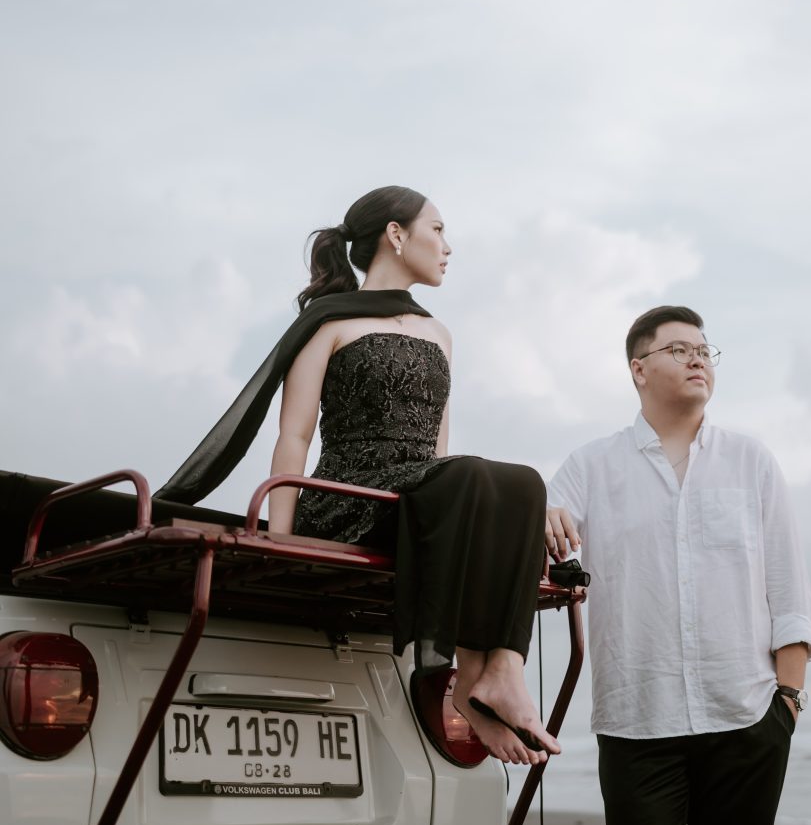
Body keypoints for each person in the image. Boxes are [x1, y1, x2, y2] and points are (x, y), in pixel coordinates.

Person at [155, 185, 557, 767]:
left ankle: (495, 674)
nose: (448, 246)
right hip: (348, 497)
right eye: (438, 229)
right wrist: (282, 538)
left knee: (525, 482)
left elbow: (439, 452)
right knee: (475, 476)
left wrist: (482, 507)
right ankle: (470, 677)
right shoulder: (328, 322)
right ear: (396, 234)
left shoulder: (440, 334)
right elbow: (293, 436)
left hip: (419, 493)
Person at [545, 305, 811, 825]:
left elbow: (789, 587)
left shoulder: (751, 461)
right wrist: (541, 515)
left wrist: (787, 700)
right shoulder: (590, 466)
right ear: (639, 369)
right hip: (637, 723)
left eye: (704, 349)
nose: (698, 358)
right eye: (678, 349)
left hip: (746, 717)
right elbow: (551, 533)